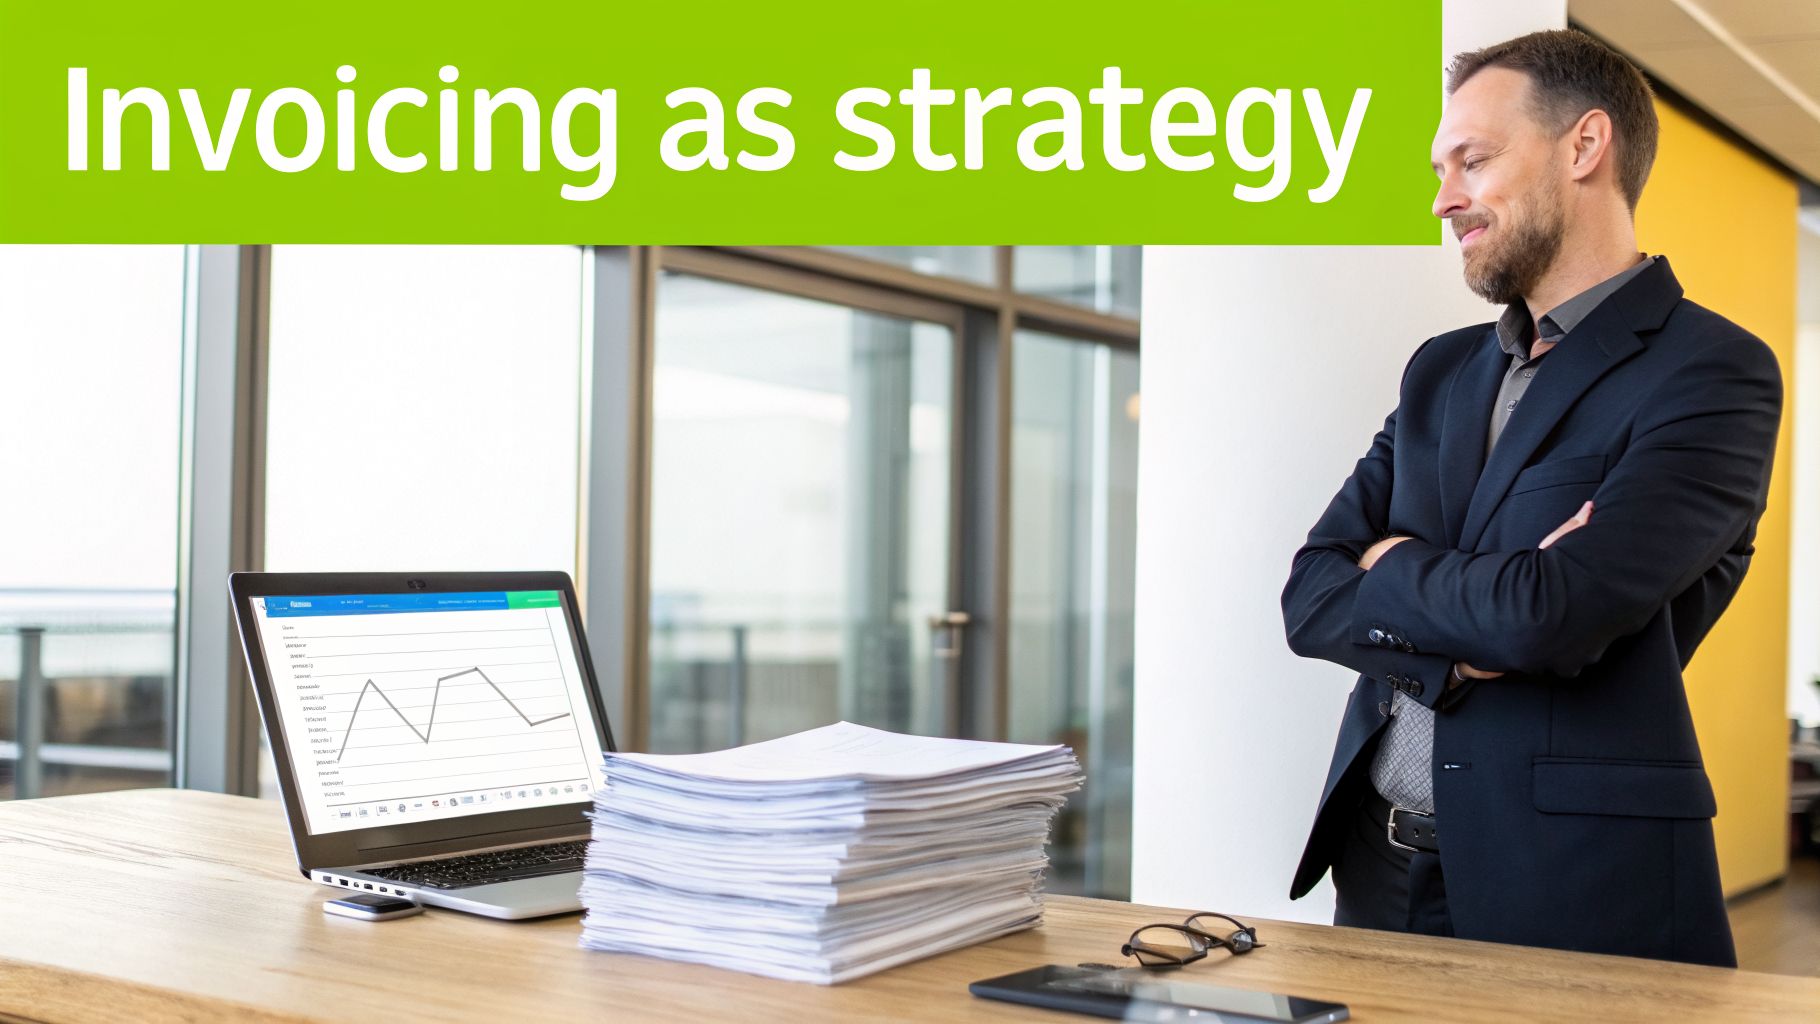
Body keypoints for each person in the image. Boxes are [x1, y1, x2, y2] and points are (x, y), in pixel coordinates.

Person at [1278, 28, 1782, 968]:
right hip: (1376, 869)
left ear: (1584, 146)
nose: (1443, 199)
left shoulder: (1713, 373)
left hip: (1573, 884)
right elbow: (1309, 595)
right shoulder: (1440, 373)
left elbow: (1550, 616)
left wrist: (1392, 565)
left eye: (1473, 161)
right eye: (1441, 171)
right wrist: (1470, 641)